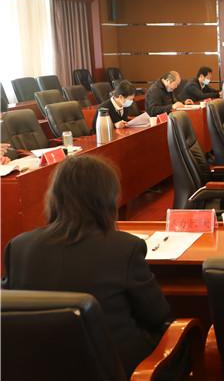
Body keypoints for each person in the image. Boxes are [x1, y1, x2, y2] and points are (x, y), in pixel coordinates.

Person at [2, 155, 172, 377]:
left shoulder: (19, 247)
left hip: (39, 368)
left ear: (54, 197)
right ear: (107, 199)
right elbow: (157, 315)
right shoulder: (124, 248)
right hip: (120, 370)